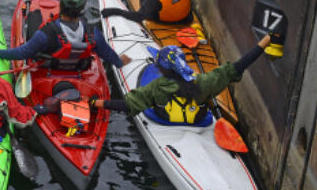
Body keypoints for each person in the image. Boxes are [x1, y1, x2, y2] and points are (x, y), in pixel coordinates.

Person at [89, 35, 272, 125]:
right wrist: (263, 43)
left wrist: (96, 103)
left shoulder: (155, 89)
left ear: (161, 69)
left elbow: (126, 105)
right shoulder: (204, 82)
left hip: (165, 119)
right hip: (196, 121)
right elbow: (237, 67)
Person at [0, 0, 132, 76]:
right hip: (78, 69)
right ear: (81, 11)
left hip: (49, 69)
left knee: (34, 16)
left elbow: (22, 53)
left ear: (60, 7)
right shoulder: (93, 33)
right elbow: (108, 55)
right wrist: (120, 63)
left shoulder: (44, 34)